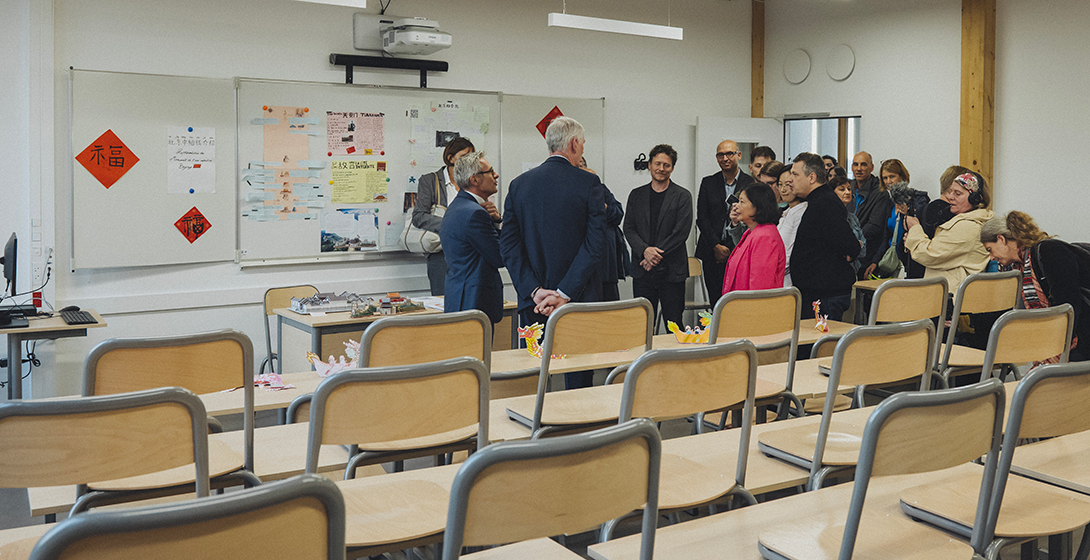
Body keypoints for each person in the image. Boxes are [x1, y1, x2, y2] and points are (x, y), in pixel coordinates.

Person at [499, 116, 605, 388]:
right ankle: (577, 426)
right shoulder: (589, 184)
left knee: (533, 373)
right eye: (581, 145)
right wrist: (563, 293)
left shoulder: (518, 184)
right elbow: (594, 245)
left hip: (533, 300)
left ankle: (534, 426)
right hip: (576, 299)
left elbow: (509, 245)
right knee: (578, 373)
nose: (582, 150)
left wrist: (535, 290)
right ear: (573, 143)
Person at [981, 211, 1090, 362]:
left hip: (1080, 339)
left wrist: (1056, 348)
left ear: (1001, 239)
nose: (991, 257)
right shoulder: (1019, 268)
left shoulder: (1049, 251)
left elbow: (1068, 305)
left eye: (989, 249)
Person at [623, 144, 693, 330]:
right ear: (649, 165)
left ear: (672, 168)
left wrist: (653, 256)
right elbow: (628, 228)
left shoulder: (682, 196)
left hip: (672, 272)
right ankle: (644, 360)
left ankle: (675, 360)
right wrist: (644, 251)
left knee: (674, 324)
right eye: (657, 163)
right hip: (642, 271)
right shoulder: (636, 195)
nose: (661, 168)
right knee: (643, 325)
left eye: (666, 165)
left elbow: (681, 232)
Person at [788, 152, 860, 321]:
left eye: (795, 174)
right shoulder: (818, 200)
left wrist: (849, 251)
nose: (791, 179)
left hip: (826, 294)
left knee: (822, 346)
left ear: (811, 177)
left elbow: (850, 245)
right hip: (817, 291)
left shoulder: (825, 203)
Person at [413, 137, 483, 296]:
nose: (468, 161)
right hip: (441, 254)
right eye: (464, 156)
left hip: (472, 253)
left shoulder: (473, 180)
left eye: (472, 157)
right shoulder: (430, 181)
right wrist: (450, 225)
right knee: (444, 304)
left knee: (471, 304)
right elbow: (419, 216)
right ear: (450, 158)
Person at [441, 152, 503, 325]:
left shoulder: (456, 207)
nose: (496, 175)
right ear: (474, 180)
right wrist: (502, 223)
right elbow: (499, 256)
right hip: (474, 301)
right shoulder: (475, 213)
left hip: (459, 297)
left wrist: (496, 220)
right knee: (478, 352)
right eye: (490, 172)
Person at [903, 171, 993, 292]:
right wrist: (914, 237)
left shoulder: (968, 227)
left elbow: (929, 254)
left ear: (974, 199)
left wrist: (914, 227)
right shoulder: (970, 222)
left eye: (958, 193)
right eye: (950, 191)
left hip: (950, 300)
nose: (950, 197)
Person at [695, 140, 755, 304]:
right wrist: (716, 246)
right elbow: (702, 218)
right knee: (716, 301)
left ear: (739, 155)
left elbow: (751, 220)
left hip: (738, 251)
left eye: (729, 153)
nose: (725, 158)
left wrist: (729, 248)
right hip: (711, 253)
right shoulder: (708, 182)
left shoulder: (750, 184)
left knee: (736, 302)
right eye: (720, 155)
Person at [580, 156, 630, 301]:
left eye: (584, 165)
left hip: (607, 262)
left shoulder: (599, 188)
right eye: (578, 166)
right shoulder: (568, 191)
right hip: (583, 264)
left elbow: (618, 213)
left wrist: (602, 206)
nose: (582, 169)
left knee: (610, 308)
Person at [722, 183, 786, 293]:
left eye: (742, 202)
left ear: (758, 206)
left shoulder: (765, 237)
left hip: (752, 307)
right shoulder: (752, 231)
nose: (736, 205)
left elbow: (760, 287)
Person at [850, 151, 894, 280]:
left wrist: (852, 241)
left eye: (863, 165)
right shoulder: (849, 188)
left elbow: (874, 226)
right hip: (849, 253)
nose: (859, 169)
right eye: (855, 164)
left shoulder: (880, 193)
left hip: (867, 255)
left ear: (872, 168)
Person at [777, 165, 807, 287]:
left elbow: (794, 251)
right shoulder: (785, 212)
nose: (783, 189)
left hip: (790, 279)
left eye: (787, 184)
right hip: (779, 277)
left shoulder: (802, 211)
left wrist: (775, 269)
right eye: (780, 184)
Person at [831, 176, 867, 274]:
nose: (847, 192)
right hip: (834, 270)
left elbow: (863, 250)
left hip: (853, 269)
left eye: (849, 189)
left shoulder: (853, 218)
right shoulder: (830, 217)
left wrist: (854, 248)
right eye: (842, 189)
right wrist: (855, 245)